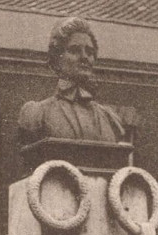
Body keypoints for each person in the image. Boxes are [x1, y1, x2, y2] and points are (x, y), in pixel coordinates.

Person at [18, 16, 126, 144]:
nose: (84, 57)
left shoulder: (109, 118)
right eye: (74, 50)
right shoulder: (37, 114)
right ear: (57, 59)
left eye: (90, 52)